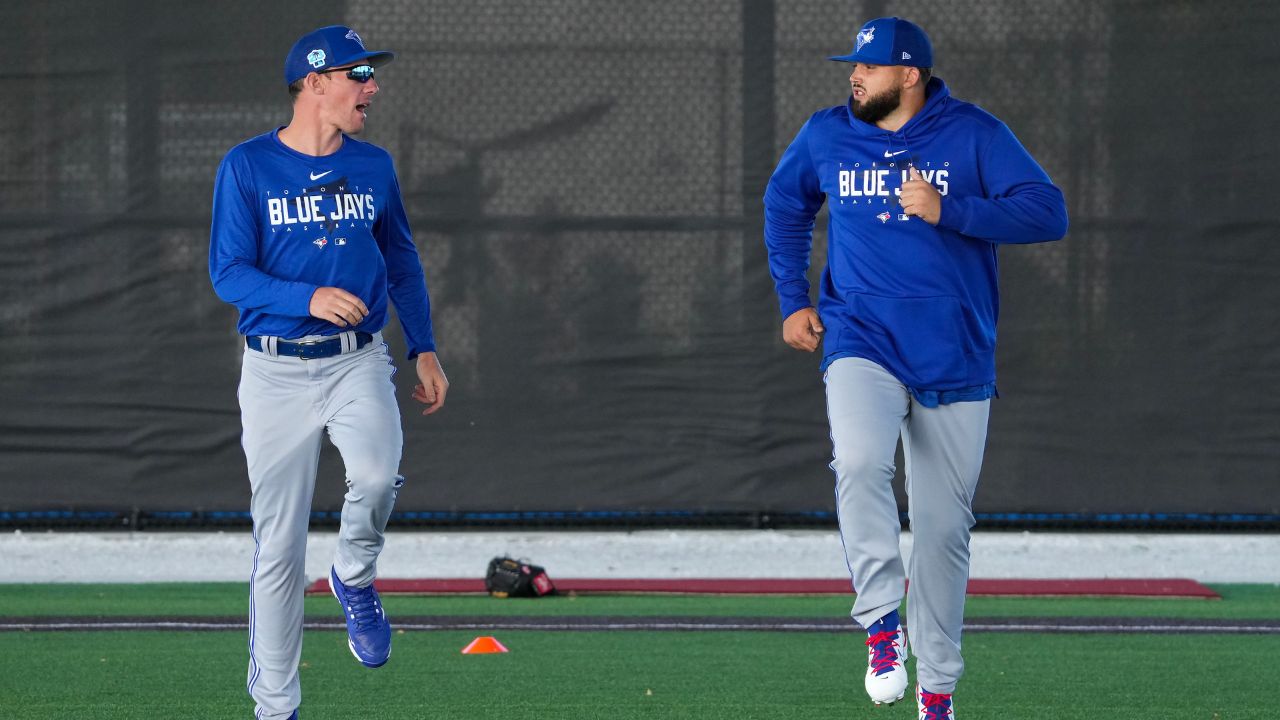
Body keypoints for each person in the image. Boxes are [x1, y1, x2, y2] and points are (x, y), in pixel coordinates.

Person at [762, 16, 1067, 720]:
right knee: (861, 464)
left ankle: (937, 693)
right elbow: (785, 203)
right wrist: (792, 299)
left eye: (867, 67)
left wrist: (950, 208)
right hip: (859, 335)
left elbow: (1047, 213)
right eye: (853, 67)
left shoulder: (974, 134)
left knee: (941, 527)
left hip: (955, 352)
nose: (854, 76)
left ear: (910, 75)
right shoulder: (828, 133)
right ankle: (879, 624)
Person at [208, 25, 449, 720]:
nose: (371, 86)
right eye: (358, 74)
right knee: (278, 552)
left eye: (371, 75)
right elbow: (228, 272)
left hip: (357, 362)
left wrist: (423, 346)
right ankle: (276, 709)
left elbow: (400, 260)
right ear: (314, 83)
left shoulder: (373, 167)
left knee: (375, 476)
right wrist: (304, 297)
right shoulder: (248, 165)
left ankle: (353, 574)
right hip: (275, 372)